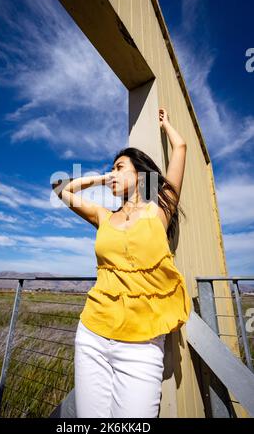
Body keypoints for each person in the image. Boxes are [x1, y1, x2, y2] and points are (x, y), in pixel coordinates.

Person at [52, 108, 192, 418]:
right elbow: (61, 188)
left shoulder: (160, 211)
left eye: (120, 167)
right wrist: (106, 177)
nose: (113, 173)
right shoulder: (104, 217)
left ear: (140, 174)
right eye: (111, 169)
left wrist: (166, 124)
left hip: (141, 344)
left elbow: (180, 149)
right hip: (92, 334)